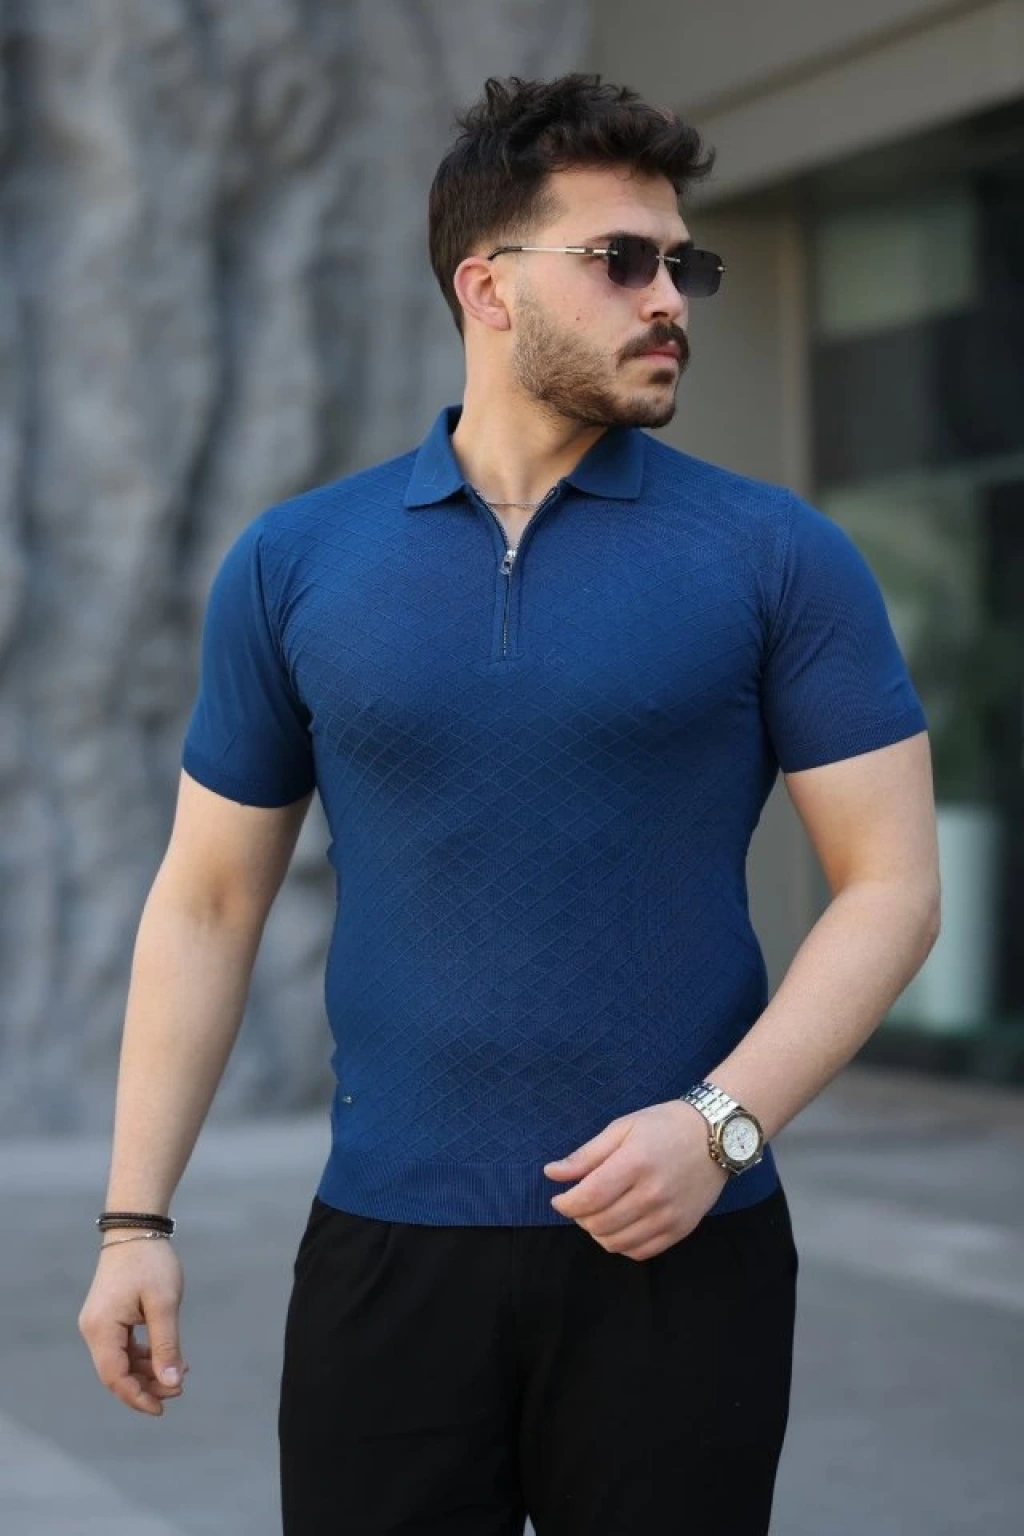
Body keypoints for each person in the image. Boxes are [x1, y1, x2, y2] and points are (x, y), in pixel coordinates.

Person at [78, 73, 940, 1536]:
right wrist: (132, 1219)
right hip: (386, 1250)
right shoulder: (295, 563)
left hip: (687, 1246)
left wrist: (722, 1128)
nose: (668, 299)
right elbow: (209, 899)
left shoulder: (777, 556)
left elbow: (894, 885)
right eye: (622, 260)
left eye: (683, 266)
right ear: (487, 286)